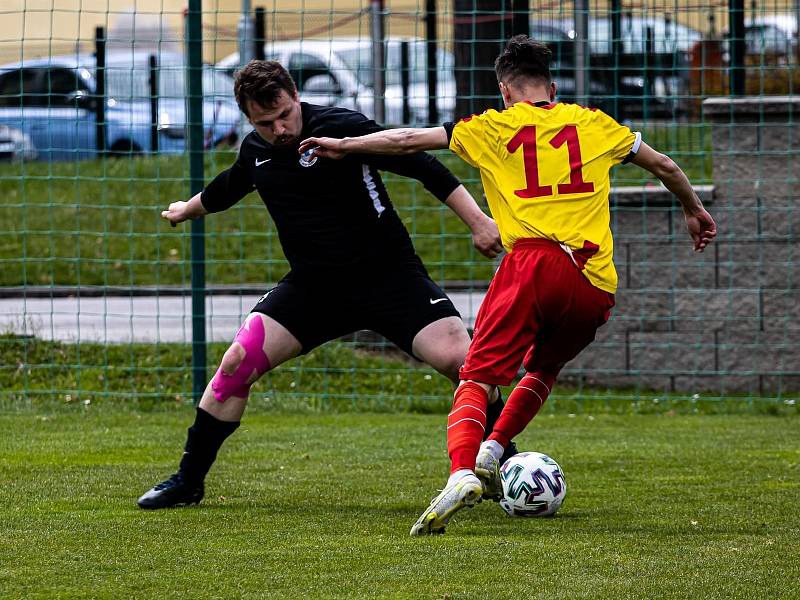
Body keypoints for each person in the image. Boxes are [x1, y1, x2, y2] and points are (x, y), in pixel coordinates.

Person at [299, 35, 718, 535]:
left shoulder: (492, 128)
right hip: (595, 282)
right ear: (553, 87)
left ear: (504, 90)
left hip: (534, 263)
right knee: (544, 367)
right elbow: (666, 166)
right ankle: (494, 451)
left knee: (476, 376)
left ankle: (461, 473)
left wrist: (345, 145)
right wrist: (693, 210)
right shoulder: (596, 123)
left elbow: (407, 140)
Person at [138, 60, 519, 509]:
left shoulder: (340, 128)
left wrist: (478, 222)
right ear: (248, 118)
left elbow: (423, 166)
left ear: (294, 94)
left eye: (285, 114)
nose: (280, 129)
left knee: (463, 361)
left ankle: (505, 465)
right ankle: (188, 480)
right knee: (236, 363)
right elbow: (229, 187)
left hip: (389, 277)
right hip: (313, 289)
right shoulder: (255, 150)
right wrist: (187, 209)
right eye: (265, 122)